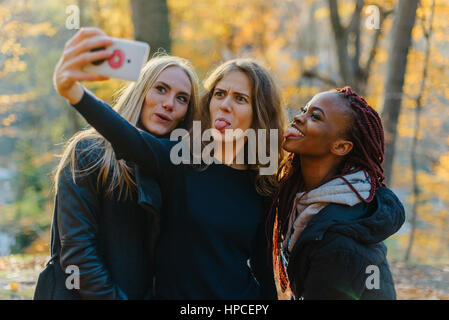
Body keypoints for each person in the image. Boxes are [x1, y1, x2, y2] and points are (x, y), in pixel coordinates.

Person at [53, 29, 286, 299]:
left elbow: (262, 268)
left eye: (241, 98)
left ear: (260, 113)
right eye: (219, 94)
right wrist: (76, 93)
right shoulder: (181, 159)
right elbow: (130, 140)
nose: (225, 105)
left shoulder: (261, 182)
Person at [43, 27, 200, 299]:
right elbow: (78, 253)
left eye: (182, 98)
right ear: (140, 91)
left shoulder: (181, 167)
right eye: (160, 89)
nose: (169, 104)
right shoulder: (89, 152)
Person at [269, 86, 405, 300]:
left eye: (315, 116)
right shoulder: (307, 200)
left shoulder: (340, 243)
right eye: (304, 110)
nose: (298, 118)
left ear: (341, 147)